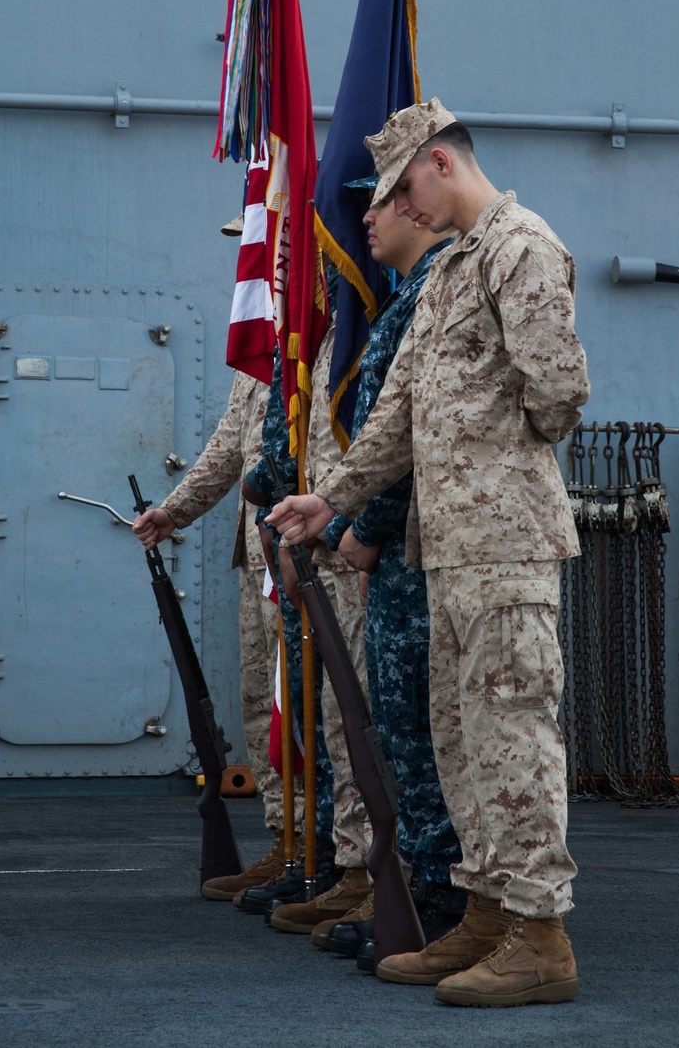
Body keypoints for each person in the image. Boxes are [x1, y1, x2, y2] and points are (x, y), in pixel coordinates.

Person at [268, 99, 590, 1009]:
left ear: (442, 164)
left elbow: (560, 393)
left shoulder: (522, 246)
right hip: (445, 553)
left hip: (506, 546)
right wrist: (330, 498)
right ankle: (486, 917)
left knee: (515, 738)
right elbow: (396, 417)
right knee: (463, 747)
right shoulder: (450, 272)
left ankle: (541, 937)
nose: (401, 205)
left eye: (406, 184)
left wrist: (497, 456)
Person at [321, 176, 464, 969]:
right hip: (401, 547)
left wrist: (366, 526)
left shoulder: (426, 295)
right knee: (402, 727)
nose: (364, 221)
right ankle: (422, 889)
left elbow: (413, 429)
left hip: (415, 550)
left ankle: (442, 901)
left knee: (419, 729)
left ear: (414, 203)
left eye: (372, 204)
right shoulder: (403, 298)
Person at [132, 214, 293, 902]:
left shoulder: (326, 335)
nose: (255, 262)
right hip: (257, 555)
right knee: (262, 702)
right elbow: (232, 442)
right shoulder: (261, 344)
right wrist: (174, 510)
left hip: (302, 552)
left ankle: (338, 854)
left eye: (266, 246)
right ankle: (289, 840)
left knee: (314, 707)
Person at [245, 266, 373, 938]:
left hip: (356, 553)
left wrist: (360, 530)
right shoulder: (306, 337)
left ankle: (377, 876)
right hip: (312, 544)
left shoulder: (361, 319)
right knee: (325, 721)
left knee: (365, 725)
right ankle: (333, 863)